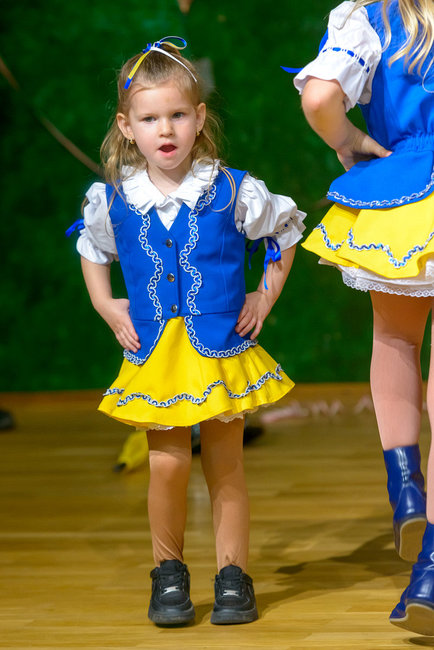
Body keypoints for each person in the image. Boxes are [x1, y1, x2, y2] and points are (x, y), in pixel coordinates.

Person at [71, 37, 305, 626]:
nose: (165, 129)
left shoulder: (232, 189)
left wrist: (264, 295)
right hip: (156, 356)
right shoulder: (115, 199)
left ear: (200, 118)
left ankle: (233, 577)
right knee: (167, 465)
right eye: (150, 119)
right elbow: (92, 249)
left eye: (177, 114)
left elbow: (284, 234)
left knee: (225, 467)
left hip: (221, 349)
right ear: (127, 127)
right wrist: (103, 303)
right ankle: (169, 575)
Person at [289, 0, 434, 636]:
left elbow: (320, 96)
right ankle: (432, 569)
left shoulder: (370, 16)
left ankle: (406, 488)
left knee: (396, 339)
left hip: (402, 192)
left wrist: (347, 140)